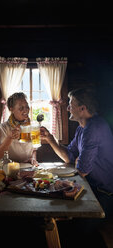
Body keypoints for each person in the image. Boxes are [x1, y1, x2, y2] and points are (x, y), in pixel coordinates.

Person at [40, 87, 113, 218]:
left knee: (73, 223)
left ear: (82, 108)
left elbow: (82, 170)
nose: (67, 108)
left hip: (104, 193)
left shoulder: (93, 128)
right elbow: (69, 157)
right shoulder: (82, 128)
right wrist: (50, 139)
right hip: (91, 187)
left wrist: (79, 162)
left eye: (70, 104)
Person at [0, 92, 37, 165]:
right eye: (21, 108)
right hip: (7, 168)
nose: (26, 110)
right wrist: (9, 138)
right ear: (12, 109)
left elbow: (34, 149)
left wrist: (33, 158)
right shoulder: (3, 128)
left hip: (26, 167)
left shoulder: (33, 127)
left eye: (27, 107)